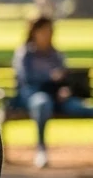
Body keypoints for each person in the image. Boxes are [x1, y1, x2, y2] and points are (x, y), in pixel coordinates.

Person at [13, 15, 93, 168]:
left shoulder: (56, 54)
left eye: (50, 31)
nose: (48, 34)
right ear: (34, 32)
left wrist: (66, 90)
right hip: (34, 96)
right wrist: (49, 78)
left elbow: (65, 79)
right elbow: (26, 80)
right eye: (44, 31)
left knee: (83, 108)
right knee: (42, 104)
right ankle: (41, 148)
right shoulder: (25, 54)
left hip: (58, 98)